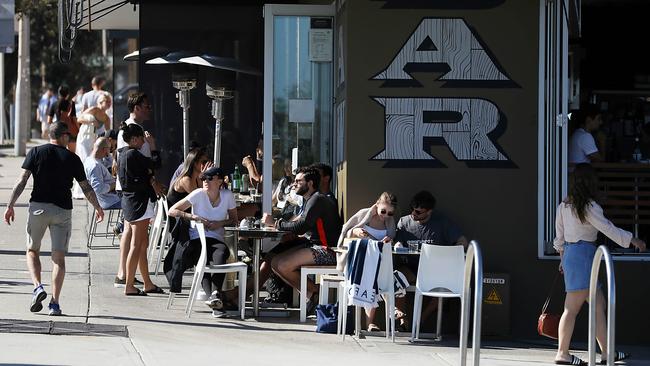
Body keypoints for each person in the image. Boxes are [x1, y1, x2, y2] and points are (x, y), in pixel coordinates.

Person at [3, 122, 104, 316]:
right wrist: (97, 207)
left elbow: (22, 180)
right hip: (62, 211)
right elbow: (85, 187)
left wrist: (10, 205)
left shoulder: (36, 152)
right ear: (64, 136)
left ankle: (38, 287)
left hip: (38, 208)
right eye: (70, 136)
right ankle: (55, 303)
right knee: (59, 259)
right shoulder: (72, 158)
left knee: (32, 250)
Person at [552, 163, 645, 366]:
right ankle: (563, 353)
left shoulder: (564, 205)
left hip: (571, 255)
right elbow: (607, 228)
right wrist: (633, 240)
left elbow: (559, 239)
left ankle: (606, 353)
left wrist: (563, 260)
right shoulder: (589, 206)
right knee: (572, 308)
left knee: (598, 305)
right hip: (584, 255)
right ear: (591, 183)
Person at [262, 166, 341, 309]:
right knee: (275, 262)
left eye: (298, 181)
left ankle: (314, 292)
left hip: (328, 250)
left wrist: (275, 223)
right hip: (315, 246)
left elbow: (301, 227)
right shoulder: (310, 199)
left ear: (310, 183)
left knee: (283, 265)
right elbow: (300, 224)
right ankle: (312, 292)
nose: (294, 184)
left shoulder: (317, 199)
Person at [393, 190, 468, 331]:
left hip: (435, 271)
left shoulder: (442, 222)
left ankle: (420, 320)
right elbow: (397, 243)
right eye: (412, 210)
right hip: (411, 268)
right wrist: (398, 246)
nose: (414, 214)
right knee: (397, 276)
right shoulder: (404, 222)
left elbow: (462, 241)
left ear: (429, 211)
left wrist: (449, 253)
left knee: (447, 287)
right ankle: (402, 320)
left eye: (418, 212)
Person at [168, 167, 238, 317]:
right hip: (196, 239)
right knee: (204, 257)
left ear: (220, 181)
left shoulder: (227, 195)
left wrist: (220, 223)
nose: (205, 181)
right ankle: (215, 297)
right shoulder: (198, 194)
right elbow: (172, 210)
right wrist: (193, 217)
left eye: (209, 178)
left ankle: (214, 296)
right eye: (203, 178)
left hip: (216, 237)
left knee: (222, 252)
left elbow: (234, 219)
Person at [337, 192, 397, 332]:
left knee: (381, 276)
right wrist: (356, 232)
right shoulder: (364, 214)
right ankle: (375, 320)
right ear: (376, 204)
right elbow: (346, 231)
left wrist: (389, 241)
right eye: (383, 211)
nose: (385, 215)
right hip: (357, 262)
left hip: (379, 263)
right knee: (370, 277)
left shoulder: (389, 222)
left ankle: (374, 321)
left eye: (390, 213)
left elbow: (392, 240)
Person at [114, 92, 157, 288]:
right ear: (137, 108)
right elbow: (139, 163)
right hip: (135, 190)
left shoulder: (130, 128)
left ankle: (128, 275)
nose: (149, 110)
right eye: (146, 106)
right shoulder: (133, 130)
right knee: (137, 240)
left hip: (129, 188)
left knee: (132, 235)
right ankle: (127, 276)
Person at [117, 122, 164, 296]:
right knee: (137, 245)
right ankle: (129, 284)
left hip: (130, 201)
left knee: (142, 244)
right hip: (139, 203)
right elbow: (155, 164)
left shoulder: (122, 154)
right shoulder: (133, 155)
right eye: (143, 139)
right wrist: (153, 147)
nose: (144, 142)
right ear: (135, 139)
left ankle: (147, 283)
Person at [74, 92, 112, 199]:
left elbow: (108, 132)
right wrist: (91, 121)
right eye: (107, 101)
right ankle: (80, 191)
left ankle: (88, 189)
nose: (109, 104)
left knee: (89, 162)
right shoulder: (94, 109)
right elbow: (79, 119)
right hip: (84, 137)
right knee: (83, 161)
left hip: (93, 140)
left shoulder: (106, 118)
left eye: (110, 102)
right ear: (101, 102)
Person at [84, 137, 121, 210]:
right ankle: (124, 221)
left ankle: (124, 220)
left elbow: (110, 163)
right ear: (104, 149)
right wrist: (115, 184)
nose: (110, 151)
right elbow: (99, 189)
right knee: (134, 200)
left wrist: (108, 155)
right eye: (109, 149)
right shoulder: (95, 166)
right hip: (109, 201)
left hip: (105, 199)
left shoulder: (89, 160)